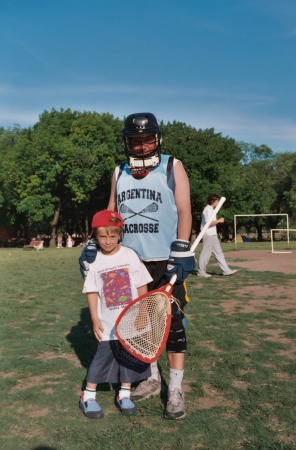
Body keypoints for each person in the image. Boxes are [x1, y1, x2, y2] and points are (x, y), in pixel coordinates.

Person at [80, 112, 195, 420]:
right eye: (135, 141)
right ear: (127, 142)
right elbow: (111, 211)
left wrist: (181, 248)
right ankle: (151, 378)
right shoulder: (120, 172)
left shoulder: (173, 165)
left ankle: (176, 390)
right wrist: (95, 240)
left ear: (157, 139)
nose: (142, 147)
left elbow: (184, 210)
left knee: (172, 326)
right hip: (128, 262)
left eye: (147, 140)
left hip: (163, 260)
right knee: (137, 325)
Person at [79, 209, 153, 419]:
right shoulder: (94, 262)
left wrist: (142, 313)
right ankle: (88, 395)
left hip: (131, 323)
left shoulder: (129, 255)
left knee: (129, 358)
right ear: (95, 235)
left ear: (120, 233)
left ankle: (124, 394)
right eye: (103, 236)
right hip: (107, 324)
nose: (108, 241)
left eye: (113, 235)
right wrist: (94, 319)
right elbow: (92, 292)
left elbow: (141, 286)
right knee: (102, 358)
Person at [197, 194, 238, 278]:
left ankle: (226, 270)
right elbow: (208, 223)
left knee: (219, 253)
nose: (218, 203)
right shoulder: (208, 209)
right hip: (208, 235)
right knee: (205, 254)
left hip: (213, 235)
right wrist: (219, 220)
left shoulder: (211, 209)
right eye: (217, 201)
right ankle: (201, 272)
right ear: (213, 201)